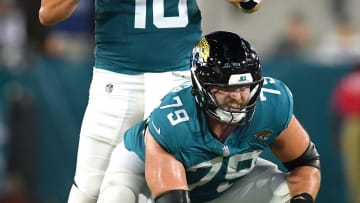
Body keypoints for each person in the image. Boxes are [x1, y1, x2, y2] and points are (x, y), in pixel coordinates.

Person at [38, 0, 262, 203]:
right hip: (116, 79)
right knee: (89, 188)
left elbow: (249, 3)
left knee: (171, 189)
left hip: (178, 79)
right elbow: (48, 13)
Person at [100, 31, 321, 203]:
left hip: (226, 182)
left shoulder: (273, 104)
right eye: (225, 89)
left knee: (286, 194)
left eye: (244, 87)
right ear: (201, 86)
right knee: (118, 195)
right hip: (144, 170)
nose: (236, 97)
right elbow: (172, 198)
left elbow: (306, 164)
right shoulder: (174, 123)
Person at [330, 64, 360, 203]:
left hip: (350, 126)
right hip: (351, 123)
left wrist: (337, 138)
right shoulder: (347, 81)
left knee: (353, 171)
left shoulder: (347, 81)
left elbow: (335, 112)